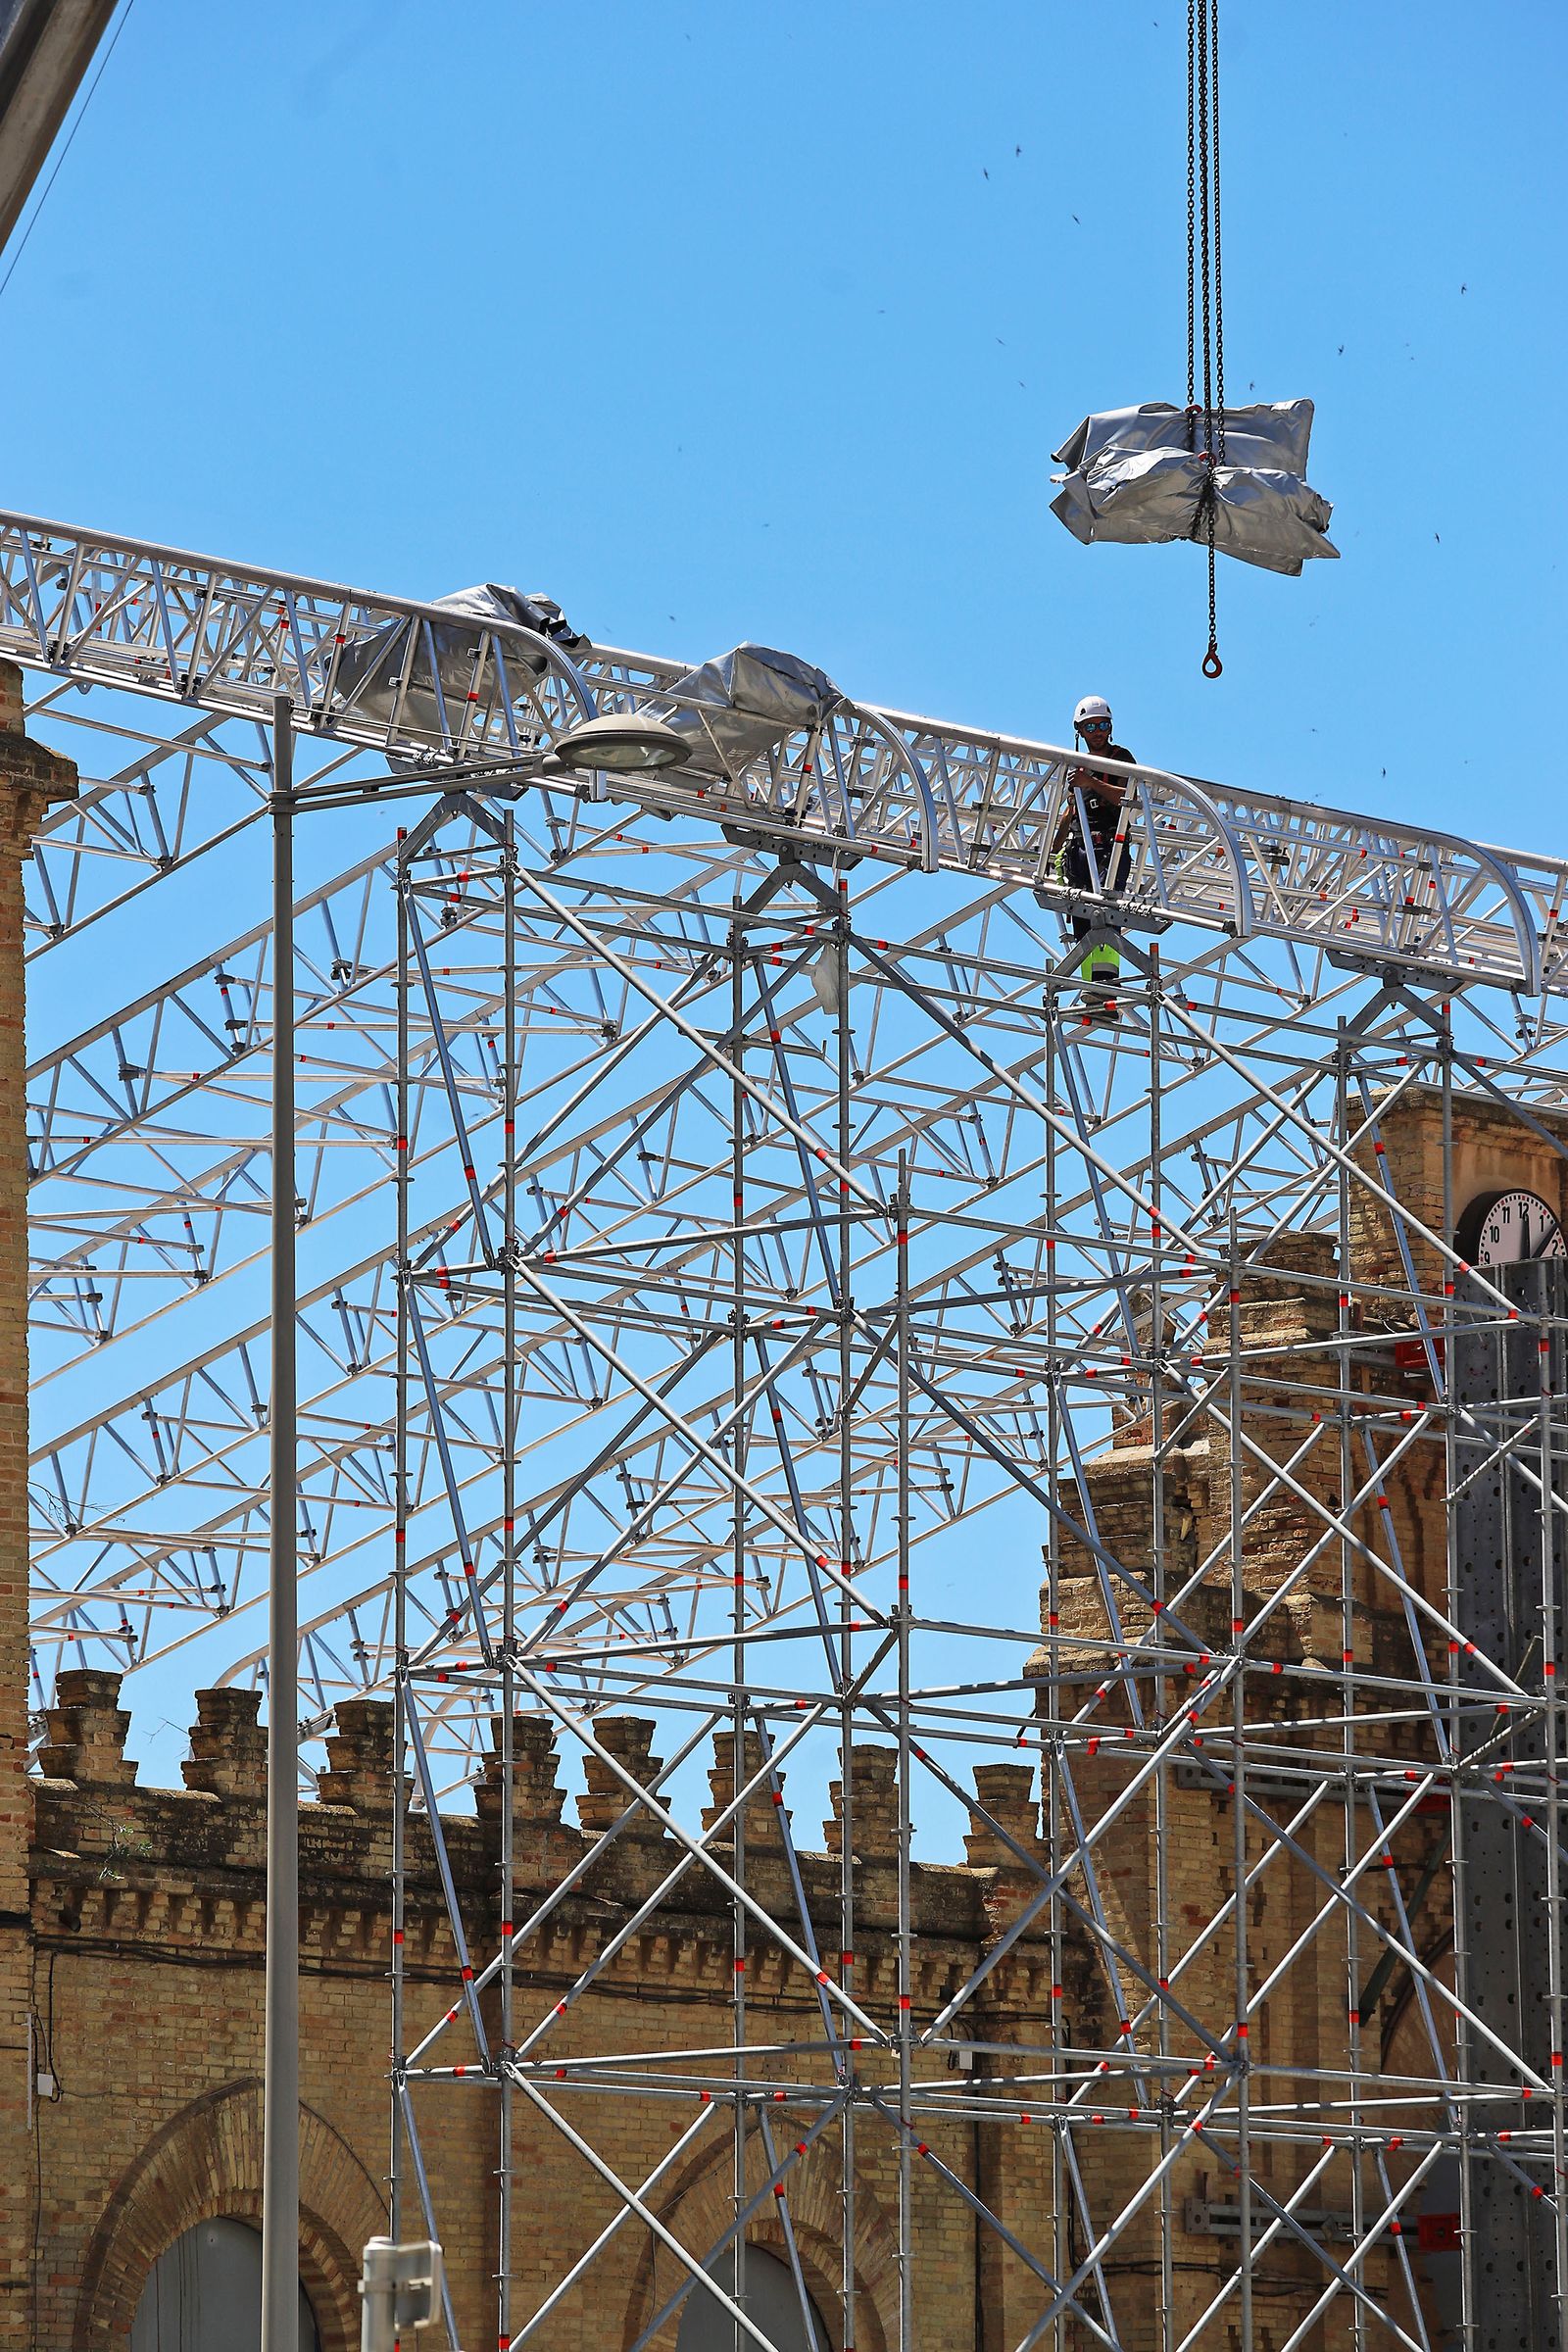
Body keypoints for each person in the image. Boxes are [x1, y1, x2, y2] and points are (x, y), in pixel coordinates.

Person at [1056, 694, 1135, 1009]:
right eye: (1091, 727)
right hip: (1080, 849)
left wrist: (1091, 780)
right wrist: (1051, 849)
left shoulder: (1120, 757)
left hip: (1109, 848)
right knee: (1082, 919)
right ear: (1080, 730)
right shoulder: (1077, 767)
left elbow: (1128, 796)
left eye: (1103, 725)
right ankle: (1094, 991)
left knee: (1104, 914)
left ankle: (1106, 991)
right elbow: (1070, 811)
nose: (1098, 732)